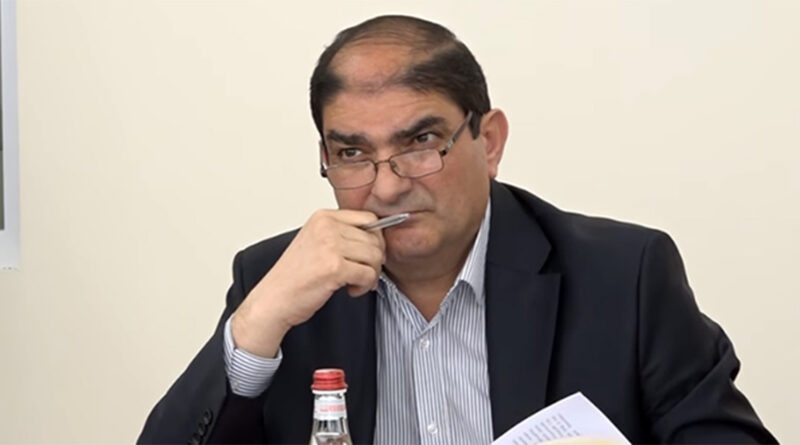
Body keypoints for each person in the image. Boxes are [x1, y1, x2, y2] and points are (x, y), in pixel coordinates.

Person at [138, 15, 776, 445]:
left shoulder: (623, 276)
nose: (387, 186)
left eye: (421, 142)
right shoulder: (278, 284)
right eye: (353, 153)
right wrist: (256, 323)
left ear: (488, 141)